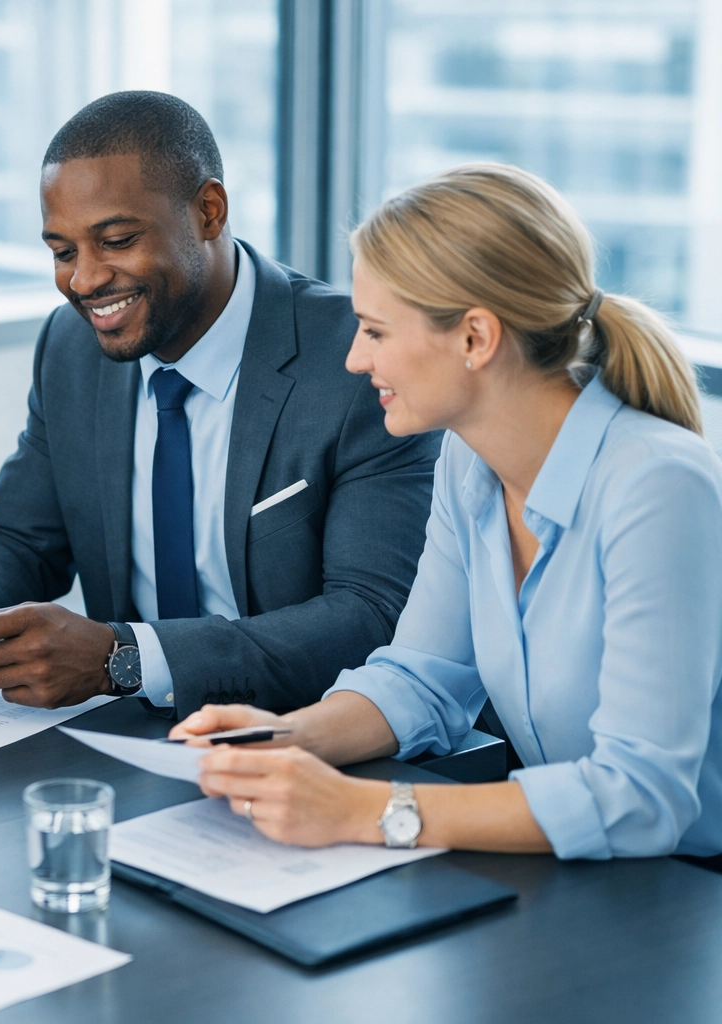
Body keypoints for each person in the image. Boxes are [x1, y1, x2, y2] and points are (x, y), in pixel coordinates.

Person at [171, 163, 722, 862]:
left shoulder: (656, 485)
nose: (353, 359)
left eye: (375, 331)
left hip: (690, 888)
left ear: (475, 338)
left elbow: (641, 798)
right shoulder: (469, 463)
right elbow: (422, 677)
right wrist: (283, 739)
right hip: (586, 874)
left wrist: (363, 810)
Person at [0, 91, 438, 714]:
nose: (84, 280)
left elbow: (372, 615)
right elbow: (19, 539)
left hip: (305, 729)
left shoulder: (355, 362)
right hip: (127, 733)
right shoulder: (70, 348)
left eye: (116, 240)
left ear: (209, 211)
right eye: (63, 252)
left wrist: (124, 658)